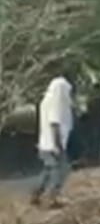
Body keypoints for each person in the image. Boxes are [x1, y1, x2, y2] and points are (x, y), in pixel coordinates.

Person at [31, 73, 74, 207]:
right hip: (53, 144)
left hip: (45, 144)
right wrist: (58, 146)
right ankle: (52, 198)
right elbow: (54, 123)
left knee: (48, 171)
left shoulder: (46, 101)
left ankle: (36, 195)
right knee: (60, 170)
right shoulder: (56, 103)